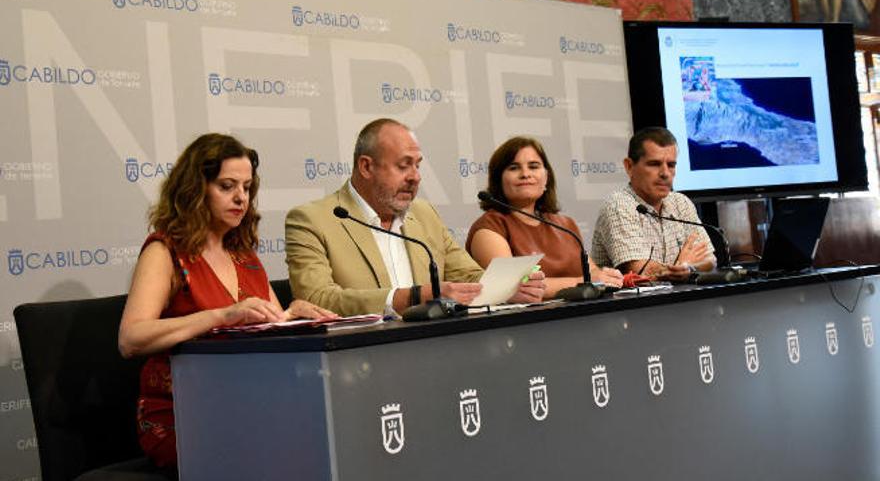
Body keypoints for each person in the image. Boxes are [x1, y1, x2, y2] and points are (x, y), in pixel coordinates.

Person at [118, 133, 336, 472]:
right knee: (273, 453)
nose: (240, 198)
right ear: (195, 189)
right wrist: (221, 316)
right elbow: (131, 338)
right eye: (227, 186)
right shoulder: (164, 251)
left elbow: (268, 326)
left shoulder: (243, 255)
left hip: (249, 403)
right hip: (183, 414)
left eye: (247, 188)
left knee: (327, 438)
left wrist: (292, 316)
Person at [285, 118, 545, 316]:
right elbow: (317, 299)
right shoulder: (312, 220)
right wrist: (413, 297)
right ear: (366, 166)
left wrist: (509, 287)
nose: (415, 177)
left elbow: (468, 276)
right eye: (403, 166)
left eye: (417, 165)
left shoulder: (424, 214)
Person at [466, 136, 623, 298]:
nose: (525, 174)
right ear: (498, 179)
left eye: (533, 166)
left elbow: (593, 273)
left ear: (546, 177)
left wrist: (607, 277)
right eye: (514, 168)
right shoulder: (489, 227)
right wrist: (583, 282)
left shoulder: (565, 225)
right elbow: (510, 286)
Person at [591, 127, 716, 282]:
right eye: (654, 164)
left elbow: (710, 260)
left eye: (671, 165)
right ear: (629, 166)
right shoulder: (618, 205)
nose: (665, 173)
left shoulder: (681, 202)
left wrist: (688, 267)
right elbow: (640, 270)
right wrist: (682, 266)